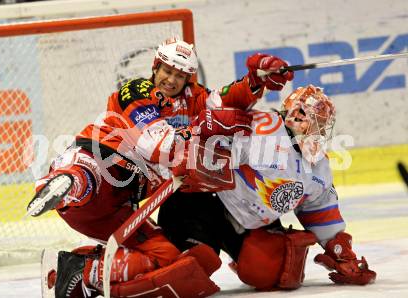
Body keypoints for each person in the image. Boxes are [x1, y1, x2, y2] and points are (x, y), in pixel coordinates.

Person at [26, 36, 294, 298]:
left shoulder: (194, 97)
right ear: (155, 67)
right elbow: (157, 145)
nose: (171, 79)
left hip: (123, 204)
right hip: (105, 161)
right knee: (87, 177)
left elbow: (227, 102)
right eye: (167, 70)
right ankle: (63, 185)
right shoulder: (137, 90)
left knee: (168, 258)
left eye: (179, 75)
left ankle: (80, 271)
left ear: (187, 78)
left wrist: (255, 81)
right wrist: (203, 127)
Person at [158, 84, 377, 291]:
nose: (320, 131)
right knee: (196, 264)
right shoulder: (263, 128)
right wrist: (195, 151)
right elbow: (209, 142)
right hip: (202, 206)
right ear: (299, 116)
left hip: (247, 224)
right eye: (317, 122)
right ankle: (147, 260)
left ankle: (238, 255)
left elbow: (320, 209)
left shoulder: (318, 166)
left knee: (273, 273)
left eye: (323, 125)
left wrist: (341, 252)